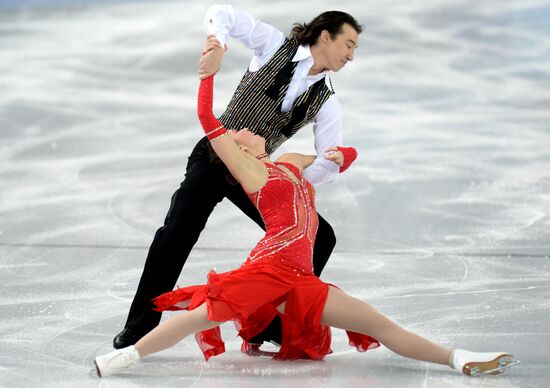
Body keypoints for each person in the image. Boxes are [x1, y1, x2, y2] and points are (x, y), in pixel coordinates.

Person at [94, 75, 519, 378]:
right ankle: (124, 357)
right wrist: (208, 75)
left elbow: (336, 155)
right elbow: (208, 119)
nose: (249, 127)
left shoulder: (287, 162)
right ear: (238, 147)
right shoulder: (248, 170)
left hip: (299, 277)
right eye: (241, 130)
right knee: (196, 319)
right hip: (265, 271)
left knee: (380, 324)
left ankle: (459, 358)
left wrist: (341, 156)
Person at [114, 4, 364, 349]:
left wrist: (331, 162)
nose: (351, 55)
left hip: (253, 173)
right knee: (176, 233)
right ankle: (140, 328)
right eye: (348, 44)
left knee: (321, 237)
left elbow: (322, 168)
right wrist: (217, 44)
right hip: (215, 157)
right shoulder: (275, 46)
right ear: (325, 36)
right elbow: (223, 12)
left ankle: (269, 324)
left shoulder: (327, 100)